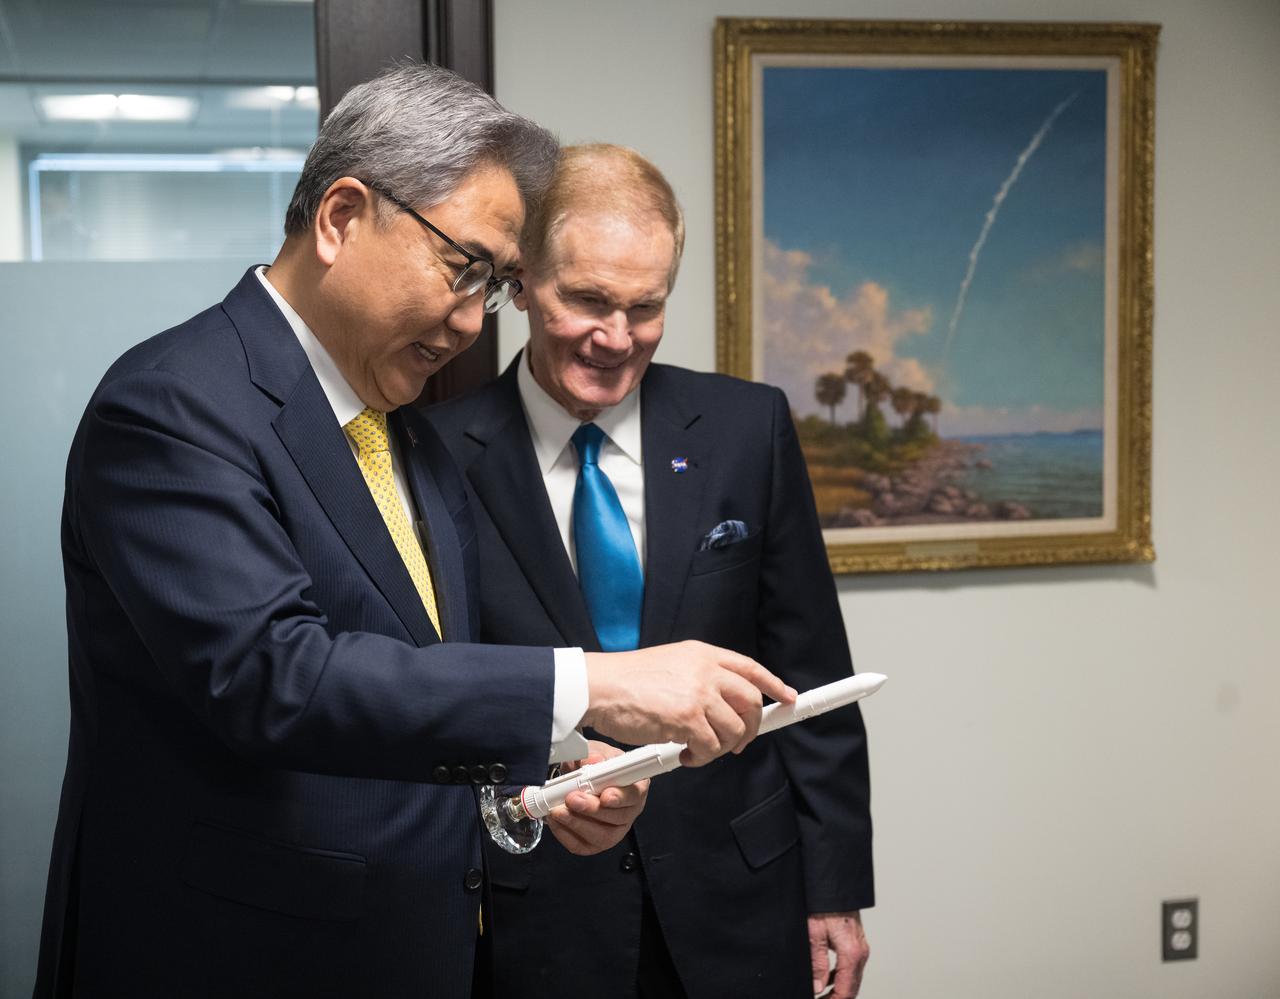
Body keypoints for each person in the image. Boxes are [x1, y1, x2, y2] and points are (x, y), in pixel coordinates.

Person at [33, 70, 796, 999]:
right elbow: (274, 677)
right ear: (342, 216)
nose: (474, 320)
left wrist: (548, 778)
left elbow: (415, 696)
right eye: (461, 267)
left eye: (496, 285)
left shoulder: (407, 436)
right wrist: (593, 683)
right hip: (234, 958)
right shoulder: (172, 405)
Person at [429, 144, 875, 999]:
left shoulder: (749, 429)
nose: (616, 336)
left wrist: (836, 889)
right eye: (587, 300)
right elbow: (444, 692)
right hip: (539, 911)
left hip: (740, 892)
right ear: (521, 281)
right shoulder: (437, 453)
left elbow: (810, 675)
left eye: (645, 306)